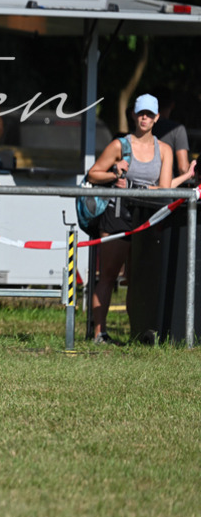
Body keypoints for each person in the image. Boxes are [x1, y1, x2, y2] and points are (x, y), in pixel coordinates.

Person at [86, 93, 195, 345]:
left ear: (157, 118)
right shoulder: (119, 145)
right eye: (140, 113)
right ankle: (98, 335)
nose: (144, 118)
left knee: (138, 279)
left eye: (149, 114)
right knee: (109, 276)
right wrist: (114, 173)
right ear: (134, 116)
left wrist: (184, 177)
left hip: (146, 218)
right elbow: (93, 175)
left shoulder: (164, 150)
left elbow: (164, 189)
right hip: (117, 215)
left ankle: (138, 334)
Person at [151, 88, 191, 177]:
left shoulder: (140, 129)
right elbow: (183, 168)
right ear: (172, 105)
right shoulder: (177, 130)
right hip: (169, 186)